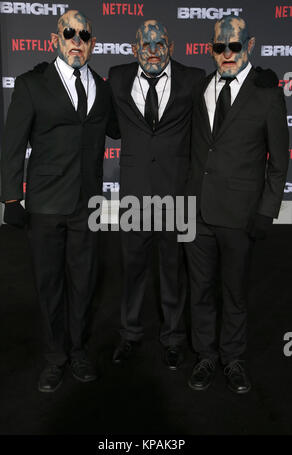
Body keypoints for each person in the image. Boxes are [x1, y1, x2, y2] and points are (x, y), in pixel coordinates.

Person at [0, 9, 119, 392]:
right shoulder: (32, 84)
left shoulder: (103, 89)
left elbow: (124, 123)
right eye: (69, 33)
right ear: (56, 38)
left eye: (84, 35)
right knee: (50, 285)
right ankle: (56, 357)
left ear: (92, 43)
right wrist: (10, 198)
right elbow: (14, 145)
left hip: (88, 206)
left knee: (83, 283)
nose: (76, 41)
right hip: (46, 205)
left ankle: (79, 350)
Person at [185, 15, 289, 393]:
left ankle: (233, 359)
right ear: (211, 49)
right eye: (219, 47)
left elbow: (279, 162)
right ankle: (206, 357)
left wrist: (266, 211)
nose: (227, 53)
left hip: (241, 215)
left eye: (234, 45)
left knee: (234, 292)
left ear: (250, 45)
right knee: (199, 291)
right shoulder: (201, 87)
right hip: (196, 213)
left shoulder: (267, 94)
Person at [109, 20, 205, 369]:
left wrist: (262, 79)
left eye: (159, 43)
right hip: (134, 194)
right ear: (134, 49)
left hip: (175, 193)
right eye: (145, 44)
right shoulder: (117, 78)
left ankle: (173, 338)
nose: (152, 50)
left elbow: (223, 97)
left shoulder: (193, 80)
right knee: (132, 269)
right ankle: (130, 334)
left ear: (171, 47)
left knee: (172, 271)